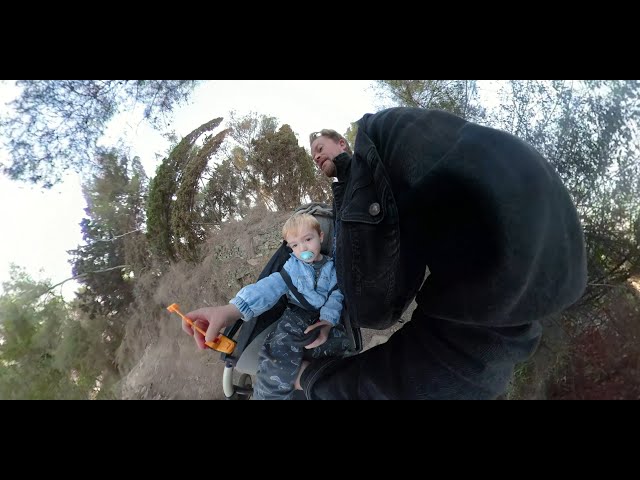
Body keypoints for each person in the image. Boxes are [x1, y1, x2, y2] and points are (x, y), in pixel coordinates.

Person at [292, 107, 587, 399]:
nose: (316, 157)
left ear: (342, 142)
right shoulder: (371, 183)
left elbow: (398, 380)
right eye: (314, 156)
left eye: (320, 148)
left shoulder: (386, 142)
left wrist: (310, 379)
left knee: (368, 310)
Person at [183, 213, 349, 400]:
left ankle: (315, 382)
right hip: (295, 316)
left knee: (338, 348)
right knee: (275, 357)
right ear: (290, 248)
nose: (303, 248)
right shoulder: (292, 269)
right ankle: (268, 395)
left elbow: (336, 295)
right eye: (295, 245)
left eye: (308, 239)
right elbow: (266, 288)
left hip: (324, 319)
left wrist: (327, 321)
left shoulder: (333, 268)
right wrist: (234, 309)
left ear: (321, 236)